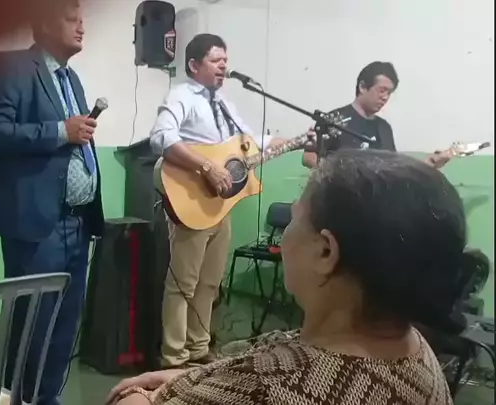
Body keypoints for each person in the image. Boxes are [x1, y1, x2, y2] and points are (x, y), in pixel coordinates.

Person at [108, 148, 485, 405]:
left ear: (325, 252)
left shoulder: (269, 385)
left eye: (295, 218)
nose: (285, 234)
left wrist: (137, 397)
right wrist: (188, 378)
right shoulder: (418, 351)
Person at [0, 1, 104, 404]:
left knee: (65, 324)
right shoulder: (10, 65)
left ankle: (47, 398)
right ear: (44, 24)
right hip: (36, 223)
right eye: (70, 19)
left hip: (77, 222)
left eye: (83, 19)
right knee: (32, 325)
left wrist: (73, 135)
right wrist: (61, 130)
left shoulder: (72, 79)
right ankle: (19, 399)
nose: (81, 27)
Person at [150, 33, 286, 370]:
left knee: (210, 282)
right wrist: (207, 167)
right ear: (194, 65)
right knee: (184, 283)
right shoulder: (182, 95)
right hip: (191, 198)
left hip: (220, 205)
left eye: (225, 60)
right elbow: (162, 137)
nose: (223, 66)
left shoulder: (224, 102)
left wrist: (289, 141)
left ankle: (198, 348)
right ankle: (174, 356)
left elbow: (246, 142)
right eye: (215, 60)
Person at [302, 61, 450, 169]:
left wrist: (429, 164)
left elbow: (393, 169)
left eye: (389, 93)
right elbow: (308, 157)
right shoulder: (334, 119)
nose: (385, 97)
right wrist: (341, 176)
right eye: (382, 90)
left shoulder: (384, 128)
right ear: (362, 87)